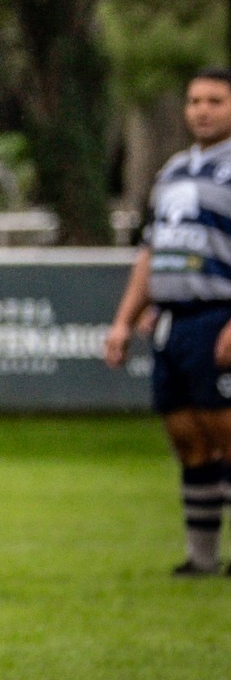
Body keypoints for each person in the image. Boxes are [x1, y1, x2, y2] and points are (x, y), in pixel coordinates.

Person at [104, 66, 231, 576]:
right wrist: (122, 321)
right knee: (185, 434)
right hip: (171, 321)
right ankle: (202, 560)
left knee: (225, 429)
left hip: (217, 314)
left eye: (215, 101)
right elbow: (151, 253)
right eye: (195, 100)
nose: (202, 109)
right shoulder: (174, 170)